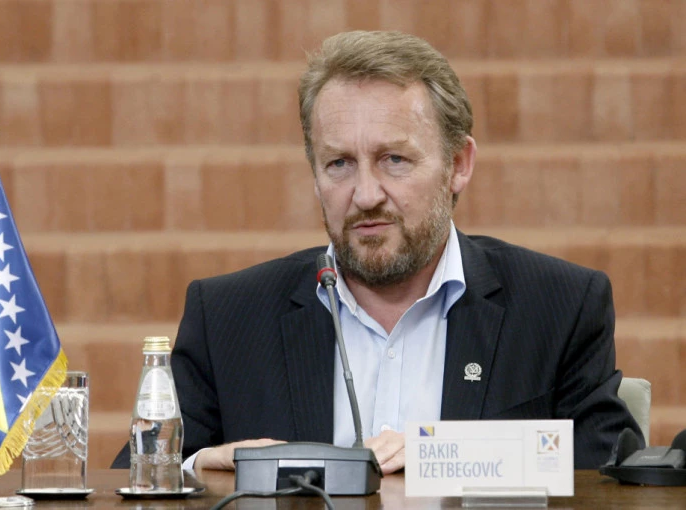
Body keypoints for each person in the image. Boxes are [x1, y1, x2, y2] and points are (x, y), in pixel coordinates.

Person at [113, 30, 642, 473]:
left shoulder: (558, 307)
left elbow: (610, 473)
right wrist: (192, 468)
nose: (365, 195)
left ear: (458, 164)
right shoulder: (229, 316)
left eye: (394, 160)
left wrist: (445, 457)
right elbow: (129, 480)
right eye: (339, 164)